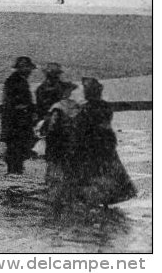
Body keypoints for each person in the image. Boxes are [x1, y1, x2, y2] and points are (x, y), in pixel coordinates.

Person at [69, 77, 136, 209]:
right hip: (105, 145)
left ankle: (93, 200)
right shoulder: (104, 106)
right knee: (107, 173)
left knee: (92, 173)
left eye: (87, 90)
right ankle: (105, 201)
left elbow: (80, 126)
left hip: (92, 146)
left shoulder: (86, 108)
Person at [39, 77, 81, 212]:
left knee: (55, 169)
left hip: (58, 142)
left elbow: (51, 127)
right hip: (71, 142)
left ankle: (56, 198)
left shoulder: (56, 107)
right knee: (69, 168)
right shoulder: (75, 106)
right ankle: (68, 196)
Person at [0, 55, 38, 174]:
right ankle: (14, 172)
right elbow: (15, 104)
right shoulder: (16, 81)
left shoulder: (17, 80)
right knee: (17, 148)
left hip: (15, 122)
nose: (29, 71)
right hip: (16, 123)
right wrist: (30, 109)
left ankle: (15, 170)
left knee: (17, 149)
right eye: (27, 68)